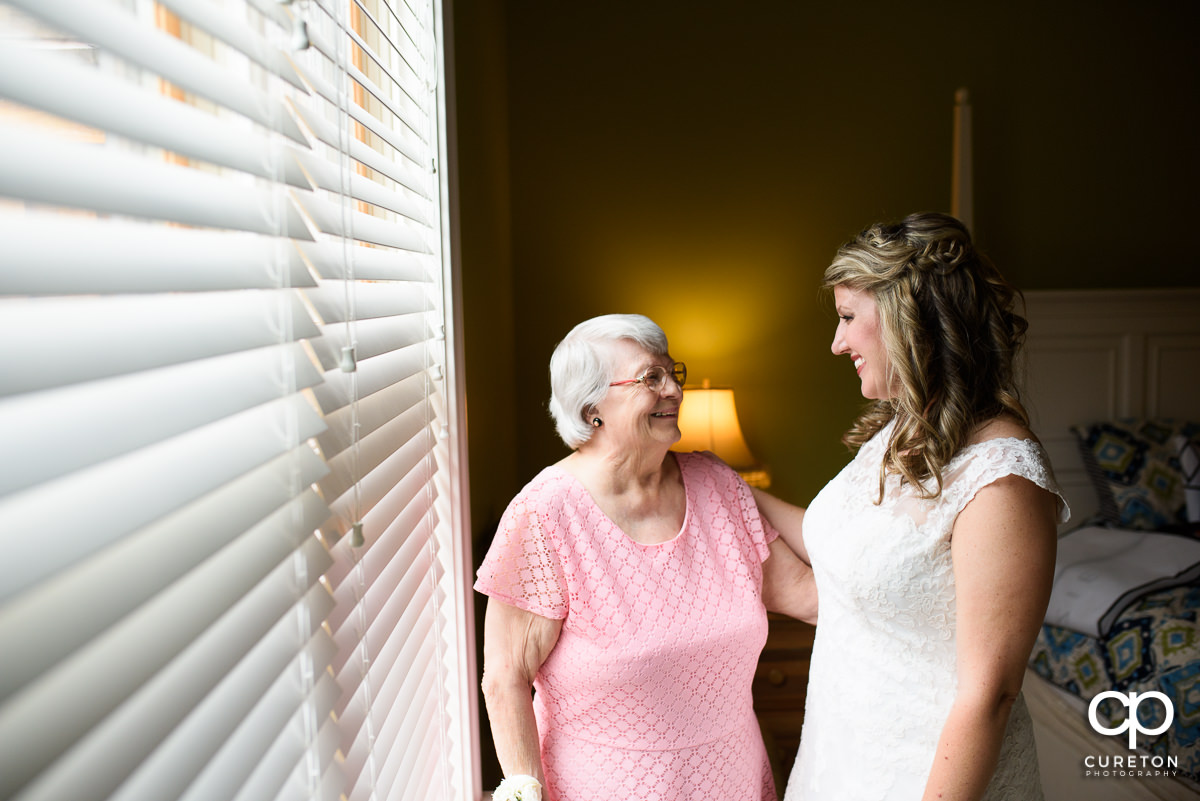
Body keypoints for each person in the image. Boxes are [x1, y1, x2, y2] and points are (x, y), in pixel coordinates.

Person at [754, 212, 1069, 801]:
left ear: (906, 321)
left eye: (849, 318)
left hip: (930, 775)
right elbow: (845, 548)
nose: (837, 342)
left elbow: (989, 694)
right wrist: (728, 486)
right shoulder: (902, 429)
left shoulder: (1001, 478)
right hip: (839, 758)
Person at [475, 313, 815, 801]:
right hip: (605, 787)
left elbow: (807, 597)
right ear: (592, 407)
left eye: (671, 373)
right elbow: (505, 677)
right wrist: (527, 791)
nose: (674, 390)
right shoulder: (545, 513)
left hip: (734, 781)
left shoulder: (715, 484)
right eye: (649, 378)